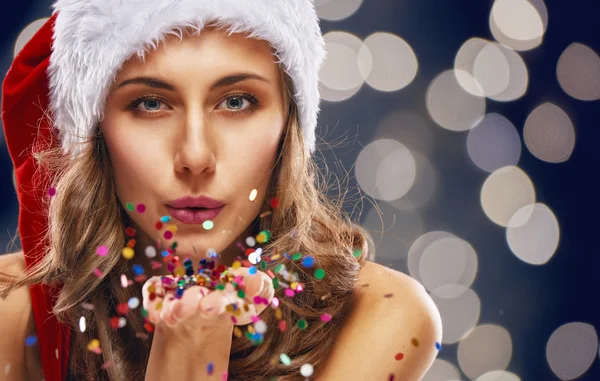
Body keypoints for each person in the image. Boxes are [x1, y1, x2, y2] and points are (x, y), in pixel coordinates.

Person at [0, 0, 442, 380]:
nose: (195, 155)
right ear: (95, 132)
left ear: (288, 125)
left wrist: (194, 347)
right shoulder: (12, 311)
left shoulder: (379, 313)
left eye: (236, 101)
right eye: (151, 103)